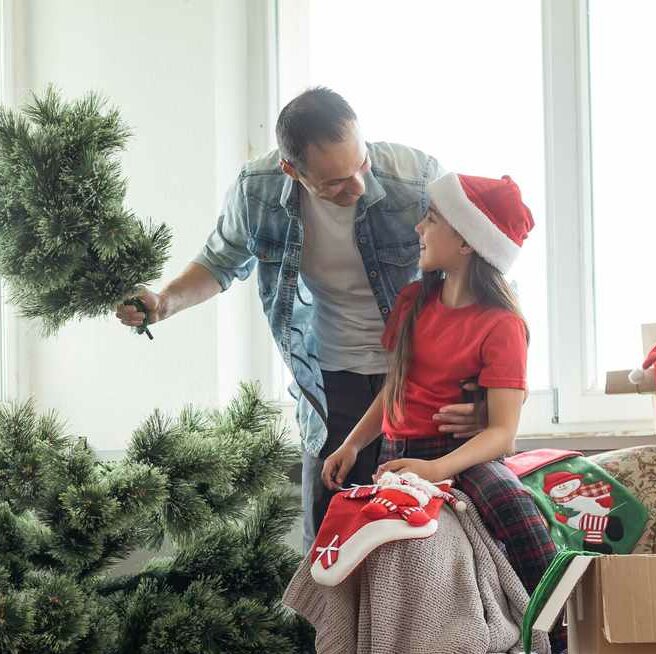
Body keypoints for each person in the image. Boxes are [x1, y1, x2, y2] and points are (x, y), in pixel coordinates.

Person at [116, 87, 481, 549]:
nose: (358, 187)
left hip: (419, 379)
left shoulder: (417, 179)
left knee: (432, 544)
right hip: (330, 385)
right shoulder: (259, 190)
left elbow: (482, 279)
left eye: (361, 165)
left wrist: (485, 398)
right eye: (335, 183)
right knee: (332, 549)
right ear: (293, 170)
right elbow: (219, 261)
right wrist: (163, 302)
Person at [320, 173, 562, 649]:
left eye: (432, 219)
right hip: (397, 451)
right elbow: (395, 387)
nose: (419, 229)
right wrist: (351, 444)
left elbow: (503, 434)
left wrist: (436, 469)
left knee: (513, 506)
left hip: (457, 453)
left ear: (467, 242)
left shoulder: (502, 325)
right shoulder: (415, 302)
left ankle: (562, 620)